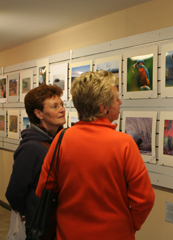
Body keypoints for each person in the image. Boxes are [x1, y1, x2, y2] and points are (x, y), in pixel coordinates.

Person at [36, 70, 155, 240]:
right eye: (116, 99)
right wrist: (130, 225)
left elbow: (43, 189)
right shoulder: (124, 144)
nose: (120, 102)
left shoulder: (61, 139)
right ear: (103, 107)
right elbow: (144, 199)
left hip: (68, 233)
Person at [6, 84, 66, 233]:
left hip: (60, 223)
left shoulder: (62, 140)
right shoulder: (31, 148)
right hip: (42, 227)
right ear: (39, 113)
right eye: (54, 106)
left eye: (61, 104)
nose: (62, 109)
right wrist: (32, 212)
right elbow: (14, 193)